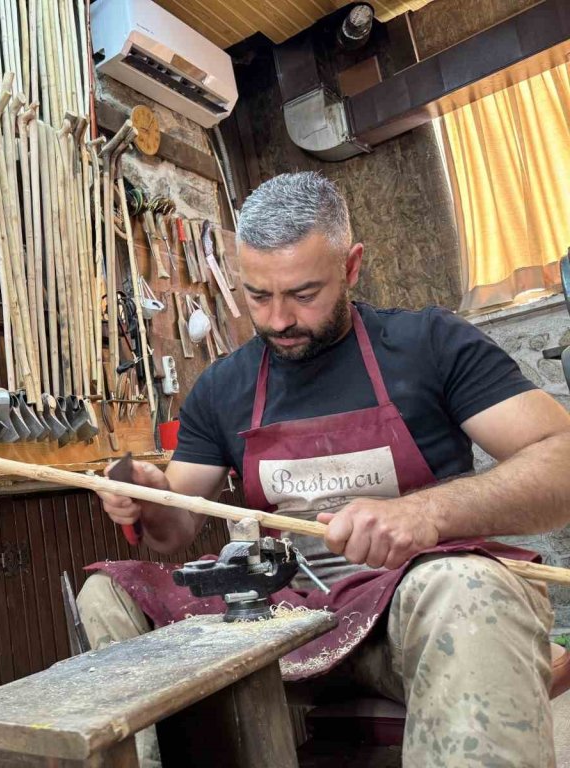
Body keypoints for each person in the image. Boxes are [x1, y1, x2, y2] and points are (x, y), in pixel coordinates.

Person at [81, 172, 570, 767]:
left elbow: (560, 457)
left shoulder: (430, 344)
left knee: (467, 588)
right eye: (258, 296)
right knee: (110, 593)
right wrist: (152, 499)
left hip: (406, 618)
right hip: (275, 618)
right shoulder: (223, 386)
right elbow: (177, 528)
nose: (279, 319)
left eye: (304, 294)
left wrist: (428, 510)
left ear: (352, 266)